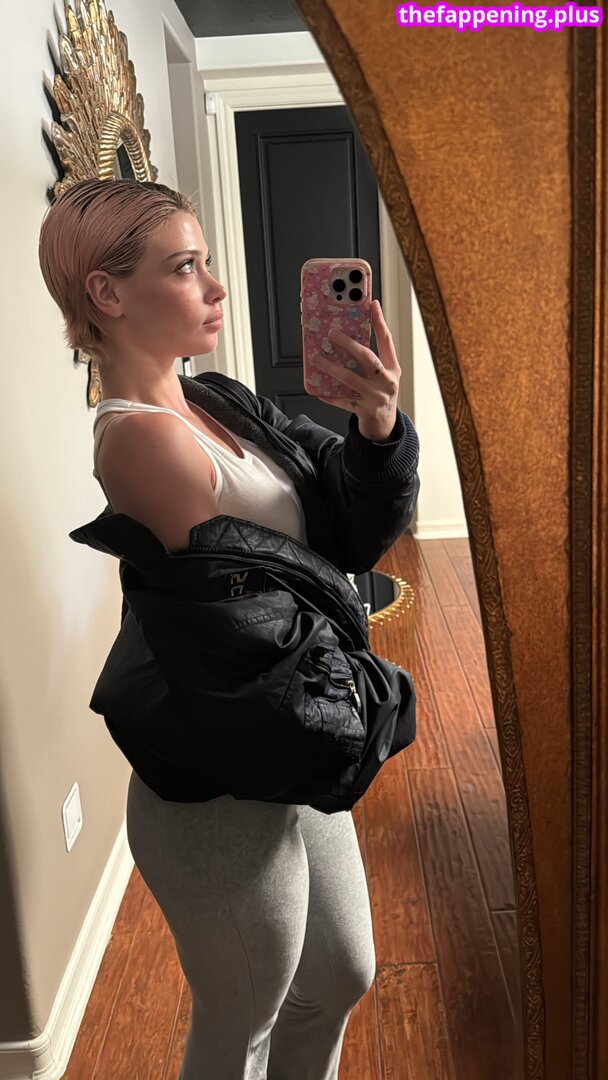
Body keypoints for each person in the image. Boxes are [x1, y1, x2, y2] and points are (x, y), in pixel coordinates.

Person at [38, 178, 420, 1080]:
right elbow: (250, 652)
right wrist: (382, 697)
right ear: (107, 293)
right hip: (220, 783)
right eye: (185, 267)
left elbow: (340, 530)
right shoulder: (142, 441)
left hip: (291, 741)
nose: (214, 286)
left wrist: (374, 428)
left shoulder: (213, 397)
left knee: (343, 973)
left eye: (206, 261)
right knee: (242, 1020)